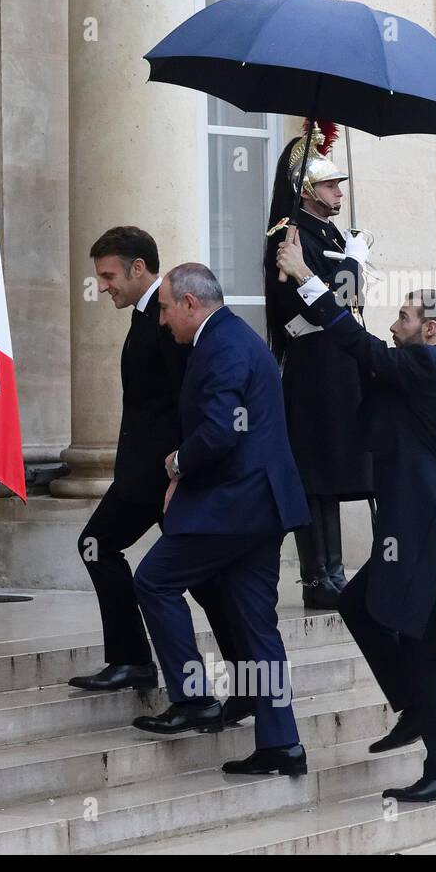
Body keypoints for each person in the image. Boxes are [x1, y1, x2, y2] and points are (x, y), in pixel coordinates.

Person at [278, 231, 436, 803]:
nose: (394, 324)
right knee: (358, 605)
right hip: (417, 529)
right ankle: (413, 711)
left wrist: (307, 277)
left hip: (419, 532)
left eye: (403, 316)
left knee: (416, 642)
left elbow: (363, 349)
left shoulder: (427, 366)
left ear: (429, 330)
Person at [67, 228, 252, 726]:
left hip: (161, 476)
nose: (103, 286)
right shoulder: (145, 315)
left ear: (138, 269)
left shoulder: (166, 316)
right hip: (148, 473)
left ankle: (164, 675)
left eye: (108, 276)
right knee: (201, 581)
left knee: (104, 547)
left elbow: (189, 400)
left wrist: (178, 472)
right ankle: (145, 664)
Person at [131, 264, 310, 776]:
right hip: (258, 507)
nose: (162, 321)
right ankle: (282, 743)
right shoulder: (234, 337)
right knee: (257, 624)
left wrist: (176, 465)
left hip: (233, 507)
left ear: (190, 303)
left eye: (165, 309)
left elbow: (219, 434)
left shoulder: (223, 346)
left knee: (154, 581)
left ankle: (192, 699)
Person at [263, 122, 373, 609]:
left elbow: (349, 302)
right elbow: (320, 304)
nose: (339, 192)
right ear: (306, 190)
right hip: (313, 362)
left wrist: (350, 260)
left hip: (337, 360)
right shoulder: (289, 236)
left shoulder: (329, 232)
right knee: (314, 472)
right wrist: (351, 264)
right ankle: (315, 578)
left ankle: (335, 571)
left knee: (331, 469)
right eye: (330, 184)